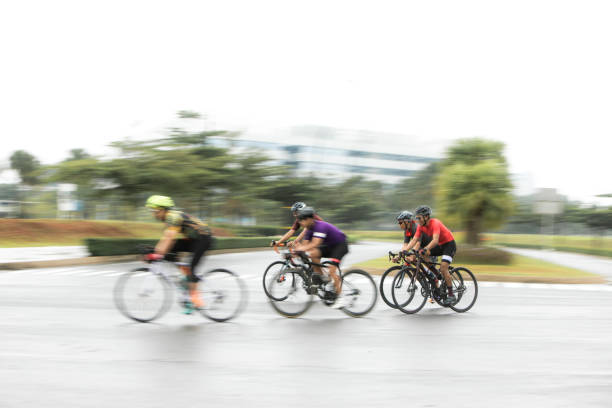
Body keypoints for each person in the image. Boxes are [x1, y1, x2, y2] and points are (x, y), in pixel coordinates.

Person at [145, 195, 213, 313]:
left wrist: (157, 253)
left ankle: (195, 299)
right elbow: (166, 238)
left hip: (204, 239)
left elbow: (169, 238)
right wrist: (155, 251)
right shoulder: (169, 218)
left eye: (155, 211)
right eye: (152, 211)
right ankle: (185, 277)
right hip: (193, 240)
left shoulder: (173, 216)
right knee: (170, 252)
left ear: (163, 209)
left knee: (192, 268)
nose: (153, 214)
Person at [292, 206, 349, 308]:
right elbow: (305, 245)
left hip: (340, 245)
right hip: (330, 246)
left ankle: (341, 298)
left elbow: (315, 243)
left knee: (332, 271)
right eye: (299, 220)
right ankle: (324, 278)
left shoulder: (320, 226)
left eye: (302, 220)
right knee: (313, 254)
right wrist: (296, 250)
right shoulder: (309, 229)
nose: (300, 222)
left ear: (310, 219)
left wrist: (301, 249)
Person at [403, 205, 457, 306]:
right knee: (422, 255)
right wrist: (405, 250)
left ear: (426, 217)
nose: (417, 220)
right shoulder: (421, 227)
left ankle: (451, 295)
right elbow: (414, 240)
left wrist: (425, 249)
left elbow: (435, 240)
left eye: (419, 217)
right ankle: (437, 274)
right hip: (440, 246)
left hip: (449, 245)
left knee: (444, 267)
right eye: (416, 218)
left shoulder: (435, 223)